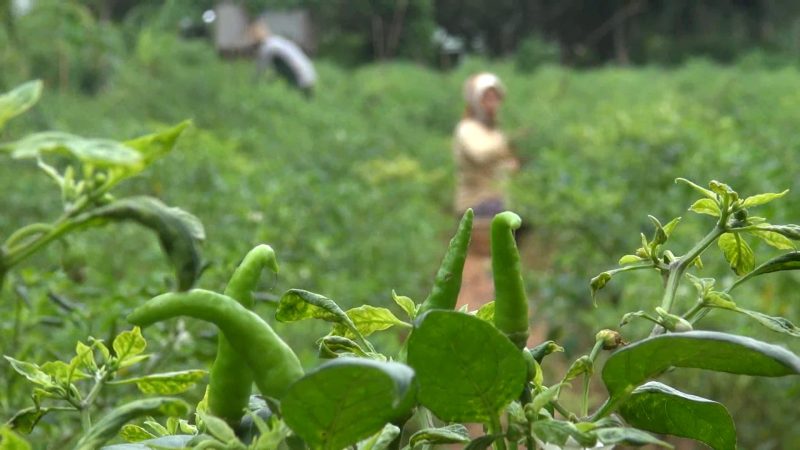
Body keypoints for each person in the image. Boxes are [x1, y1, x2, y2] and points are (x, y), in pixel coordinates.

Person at [453, 72, 520, 311]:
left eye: (494, 98)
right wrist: (509, 144)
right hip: (477, 204)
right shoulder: (467, 128)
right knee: (489, 265)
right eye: (486, 98)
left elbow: (505, 164)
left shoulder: (495, 131)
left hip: (498, 201)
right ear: (474, 102)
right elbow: (480, 153)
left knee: (499, 265)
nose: (492, 103)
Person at [251, 20, 317, 98]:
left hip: (299, 77)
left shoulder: (268, 47)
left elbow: (261, 68)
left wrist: (253, 83)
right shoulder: (276, 40)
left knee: (276, 62)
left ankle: (295, 90)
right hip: (309, 73)